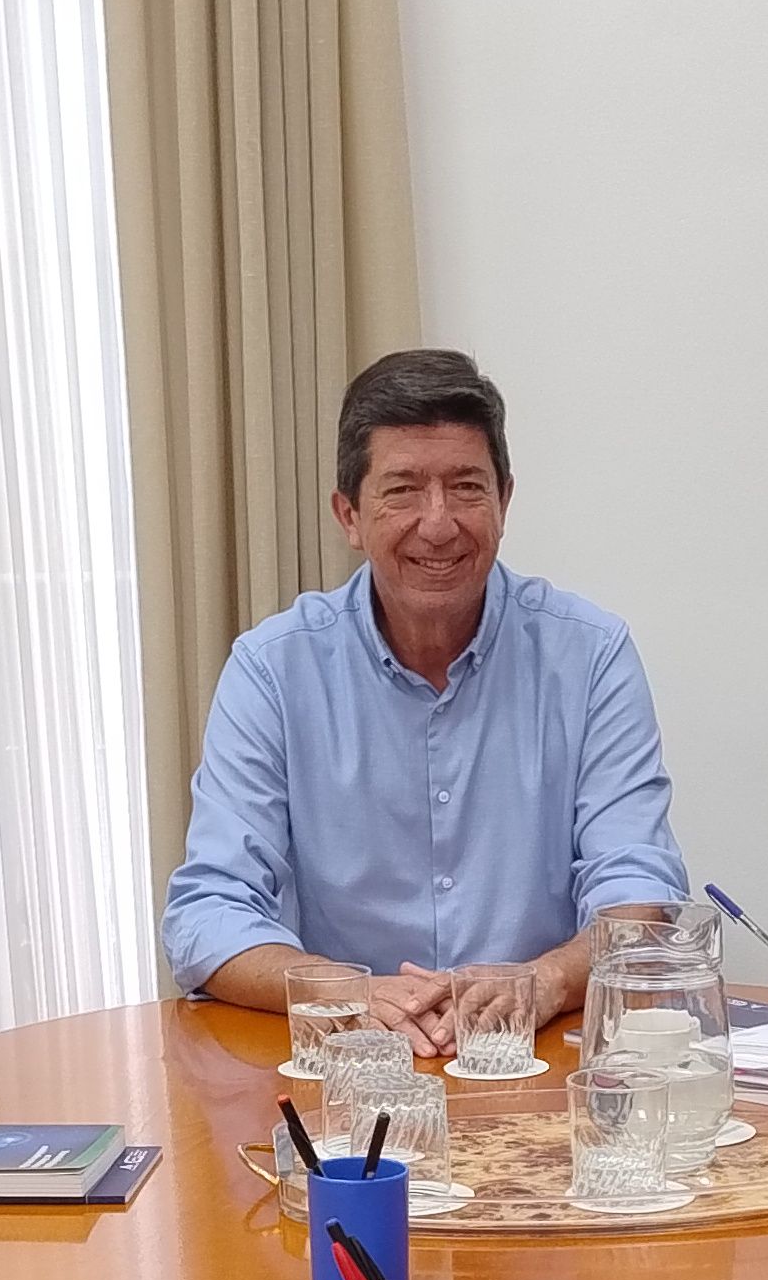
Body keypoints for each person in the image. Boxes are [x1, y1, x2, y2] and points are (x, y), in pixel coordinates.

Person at [159, 348, 691, 1047]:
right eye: (403, 490)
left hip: (537, 1054)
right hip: (349, 1060)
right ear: (349, 515)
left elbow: (639, 885)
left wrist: (545, 980)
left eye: (466, 488)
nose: (438, 524)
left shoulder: (590, 655)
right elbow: (209, 910)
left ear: (504, 501)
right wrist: (349, 993)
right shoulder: (272, 669)